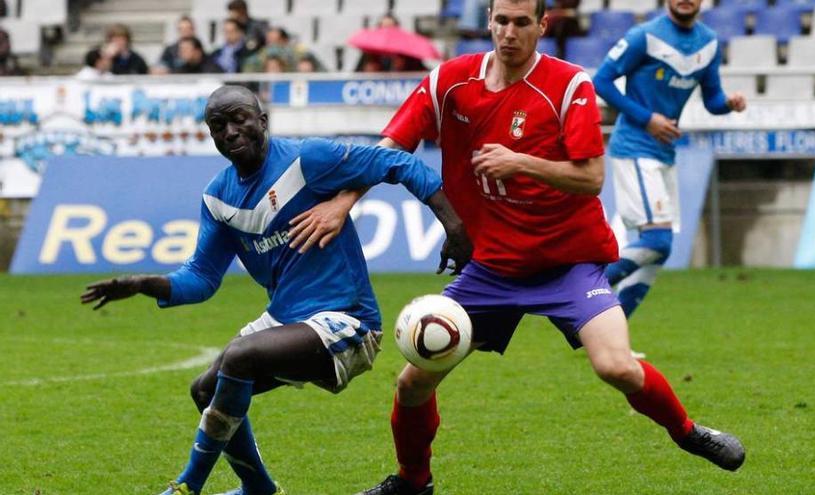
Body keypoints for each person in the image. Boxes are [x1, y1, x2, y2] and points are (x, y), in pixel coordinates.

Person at [290, 1, 746, 494]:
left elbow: (591, 177)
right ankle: (412, 482)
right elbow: (390, 148)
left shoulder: (569, 85)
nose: (509, 33)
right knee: (412, 382)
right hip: (493, 269)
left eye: (521, 23)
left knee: (615, 365)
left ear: (542, 26)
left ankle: (687, 432)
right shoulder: (450, 82)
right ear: (489, 22)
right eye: (500, 21)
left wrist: (520, 162)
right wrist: (344, 201)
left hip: (568, 262)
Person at [79, 85, 471, 495]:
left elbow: (398, 162)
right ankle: (258, 489)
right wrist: (143, 284)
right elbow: (201, 277)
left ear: (262, 121)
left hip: (347, 321)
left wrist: (453, 225)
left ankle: (186, 486)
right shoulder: (218, 197)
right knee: (205, 389)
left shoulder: (308, 160)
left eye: (238, 119)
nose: (229, 132)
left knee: (240, 355)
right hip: (288, 318)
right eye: (217, 126)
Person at [593, 0, 747, 318]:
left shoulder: (708, 43)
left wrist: (729, 103)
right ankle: (584, 294)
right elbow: (602, 81)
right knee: (658, 241)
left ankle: (612, 335)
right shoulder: (644, 36)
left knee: (658, 252)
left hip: (664, 153)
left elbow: (712, 98)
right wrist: (647, 118)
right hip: (633, 148)